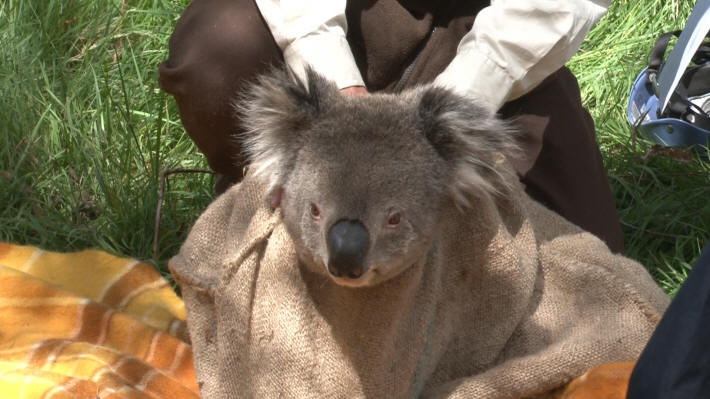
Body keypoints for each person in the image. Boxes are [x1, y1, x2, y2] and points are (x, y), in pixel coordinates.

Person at [158, 0, 624, 253]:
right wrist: (333, 86)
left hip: (493, 28)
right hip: (346, 16)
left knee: (586, 261)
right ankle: (267, 202)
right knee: (219, 51)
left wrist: (455, 106)